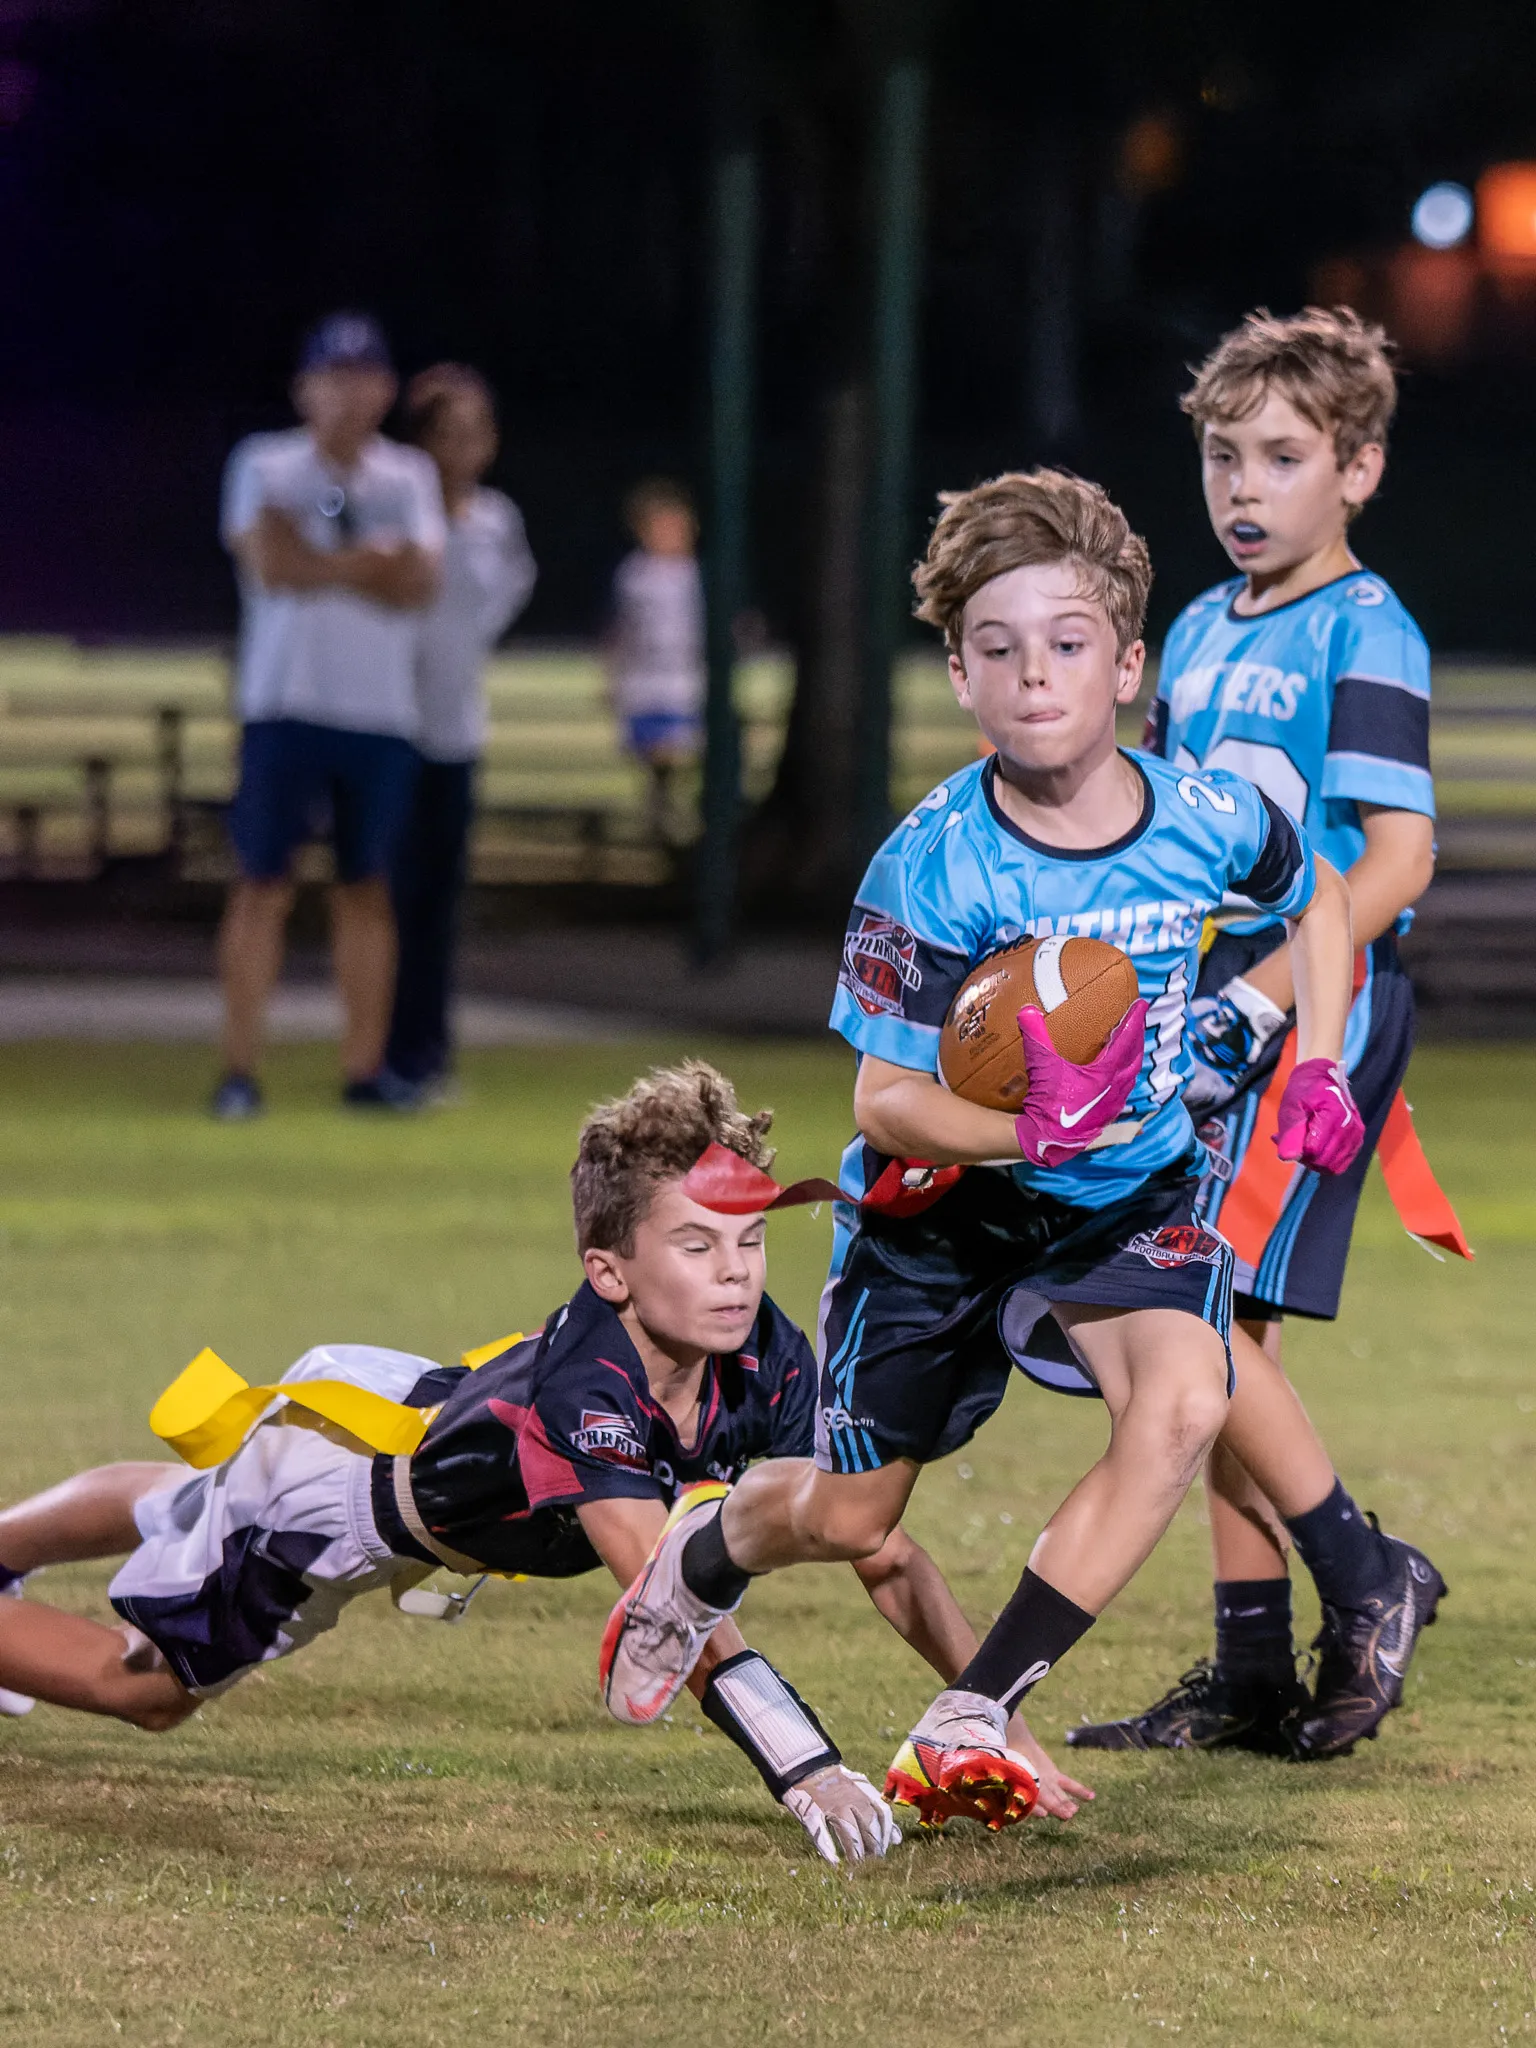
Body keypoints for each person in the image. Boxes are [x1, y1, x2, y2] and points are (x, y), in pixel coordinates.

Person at [599, 469, 1369, 1833]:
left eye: (1068, 646)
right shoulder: (934, 863)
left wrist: (1315, 1062)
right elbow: (888, 1103)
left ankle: (973, 1708)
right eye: (998, 651)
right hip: (939, 1221)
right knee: (845, 1520)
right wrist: (1025, 1123)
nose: (1035, 678)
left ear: (1128, 666)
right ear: (958, 674)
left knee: (1187, 1399)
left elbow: (1315, 901)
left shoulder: (1201, 816)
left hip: (1126, 1202)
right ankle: (700, 1554)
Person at [0, 1061, 1090, 1860]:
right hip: (329, 1513)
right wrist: (805, 1766)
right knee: (147, 1689)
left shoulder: (760, 1348)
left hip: (387, 1417)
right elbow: (670, 1607)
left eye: (750, 1240)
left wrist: (996, 1717)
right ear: (609, 1271)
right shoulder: (589, 1391)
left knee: (194, 1496)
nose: (735, 1275)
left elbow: (879, 1546)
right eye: (696, 1244)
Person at [1066, 307, 1451, 1762]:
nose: (1242, 489)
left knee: (1202, 1319)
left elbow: (1398, 862)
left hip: (1310, 1011)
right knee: (1212, 1330)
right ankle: (1249, 1671)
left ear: (1356, 471)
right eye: (1224, 457)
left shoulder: (1368, 628)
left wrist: (1268, 1001)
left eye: (1282, 459)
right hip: (1201, 1003)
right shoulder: (1198, 628)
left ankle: (1366, 1578)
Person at [213, 311, 445, 1120]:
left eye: (362, 378)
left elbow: (419, 580)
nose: (347, 395)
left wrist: (321, 563)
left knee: (365, 887)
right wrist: (365, 564)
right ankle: (239, 1070)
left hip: (378, 712)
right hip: (284, 703)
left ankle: (364, 1068)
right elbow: (270, 565)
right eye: (332, 378)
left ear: (383, 388)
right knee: (263, 882)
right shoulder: (266, 463)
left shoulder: (407, 475)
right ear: (304, 387)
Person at [384, 364, 537, 1098]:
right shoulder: (396, 515)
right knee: (386, 897)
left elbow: (501, 600)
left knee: (437, 904)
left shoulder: (497, 521)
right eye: (446, 434)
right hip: (390, 725)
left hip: (455, 732)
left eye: (473, 434)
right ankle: (379, 1049)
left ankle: (428, 1052)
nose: (460, 449)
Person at [606, 479, 705, 845]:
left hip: (681, 677)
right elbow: (621, 628)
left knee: (680, 747)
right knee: (654, 750)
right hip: (646, 678)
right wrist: (614, 675)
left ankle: (668, 809)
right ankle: (659, 810)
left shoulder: (692, 574)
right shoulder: (635, 575)